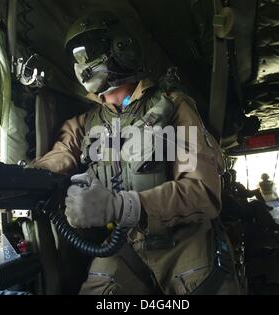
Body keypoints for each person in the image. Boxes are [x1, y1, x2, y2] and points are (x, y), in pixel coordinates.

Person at [31, 11, 241, 295]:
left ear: (122, 50)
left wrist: (121, 206)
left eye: (89, 51)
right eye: (77, 56)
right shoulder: (84, 124)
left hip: (185, 244)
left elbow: (202, 192)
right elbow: (59, 158)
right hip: (124, 248)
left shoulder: (174, 107)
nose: (83, 63)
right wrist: (16, 177)